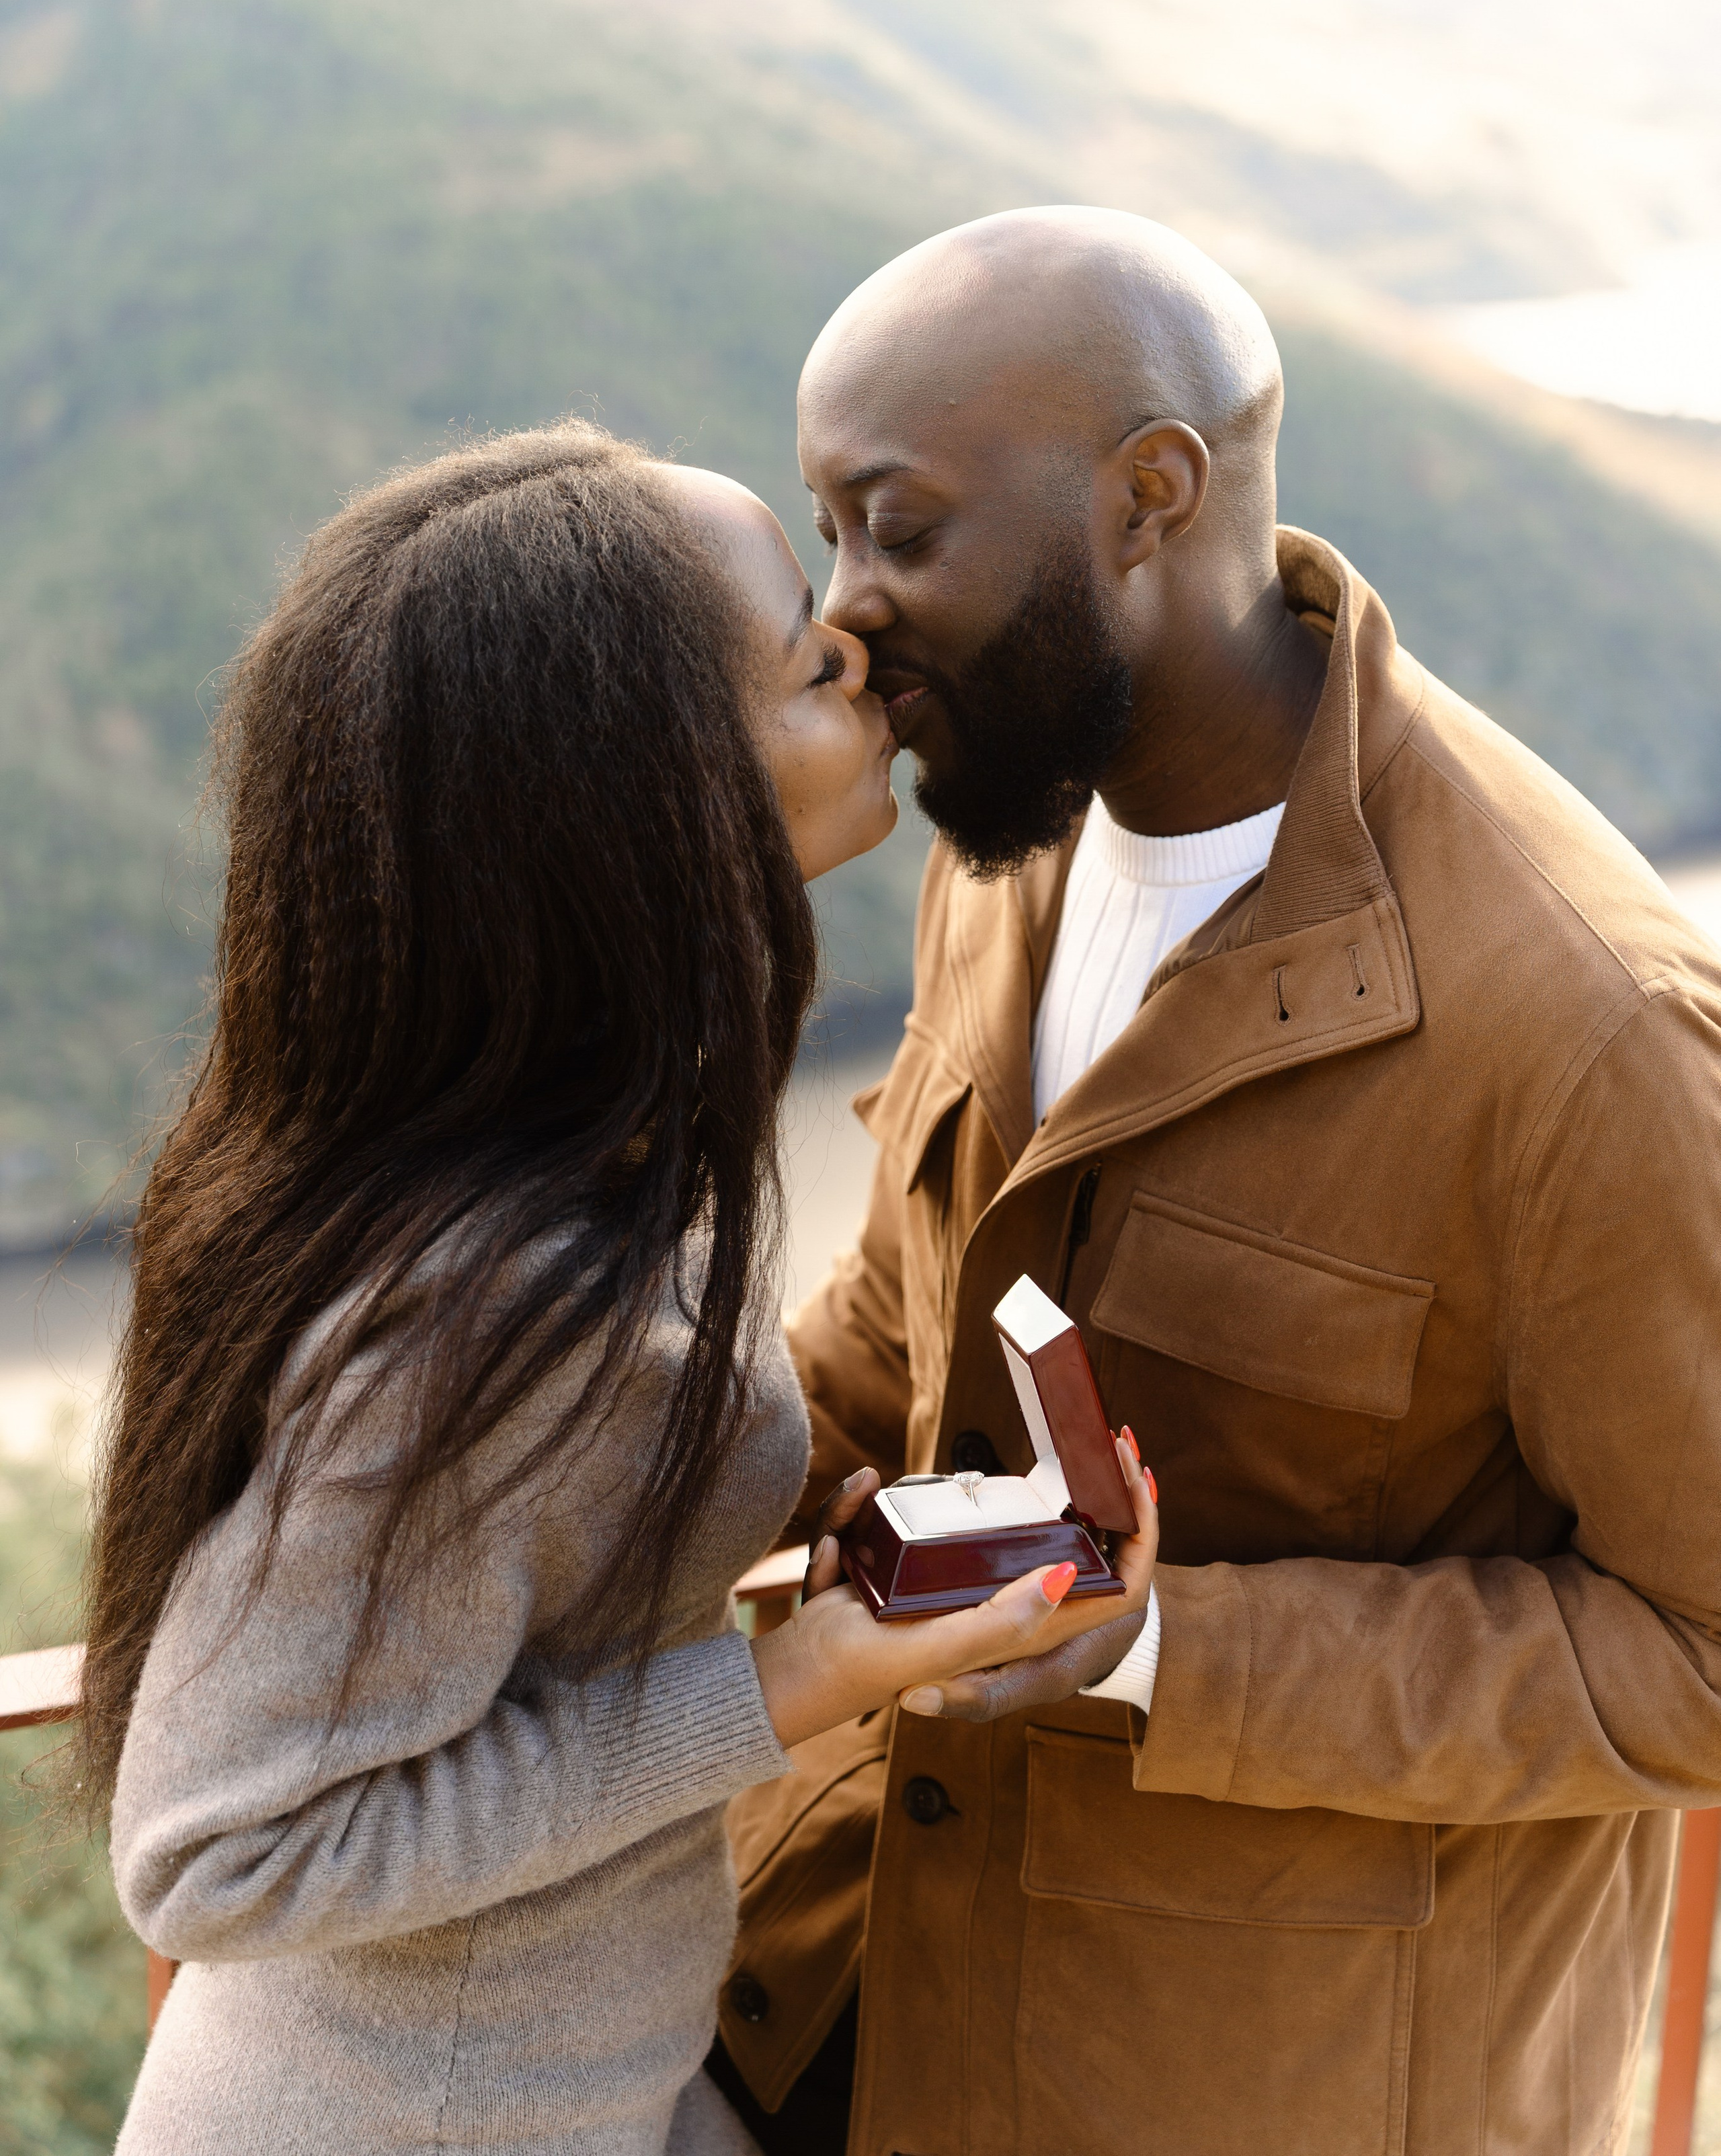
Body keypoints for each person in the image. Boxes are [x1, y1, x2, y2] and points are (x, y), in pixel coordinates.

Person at [710, 210, 1721, 2156]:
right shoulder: (1006, 836)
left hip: (1258, 2088)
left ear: (1148, 500)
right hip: (863, 1997)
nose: (846, 610)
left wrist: (1158, 1646)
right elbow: (904, 1312)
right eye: (827, 531)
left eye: (897, 528)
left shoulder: (1592, 1034)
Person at [83, 426, 1155, 2156]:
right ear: (645, 805)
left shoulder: (550, 1152)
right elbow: (224, 1851)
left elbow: (509, 1596)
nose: (870, 668)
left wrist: (823, 1541)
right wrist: (801, 1678)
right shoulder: (476, 1307)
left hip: (580, 2090)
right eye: (812, 662)